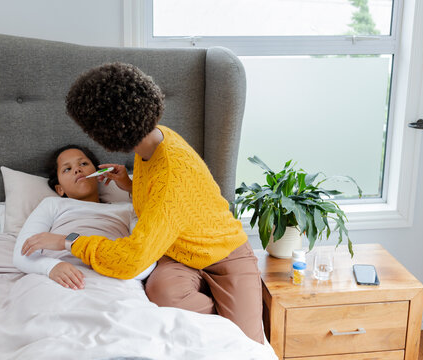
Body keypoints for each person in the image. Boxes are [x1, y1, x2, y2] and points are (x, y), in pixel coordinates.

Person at [23, 62, 264, 344]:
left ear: (106, 132)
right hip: (176, 252)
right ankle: (221, 321)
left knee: (247, 343)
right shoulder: (155, 139)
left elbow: (132, 260)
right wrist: (130, 185)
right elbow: (161, 198)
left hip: (225, 252)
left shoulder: (171, 175)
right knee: (162, 294)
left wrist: (68, 241)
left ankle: (229, 324)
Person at [13, 144, 155, 290]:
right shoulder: (52, 204)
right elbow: (22, 253)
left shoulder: (127, 209)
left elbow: (145, 261)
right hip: (57, 278)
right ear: (59, 189)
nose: (77, 169)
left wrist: (133, 187)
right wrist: (52, 267)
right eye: (67, 169)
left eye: (83, 163)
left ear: (98, 173)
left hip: (113, 280)